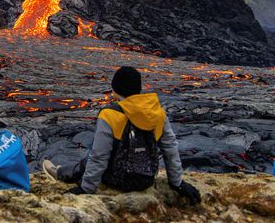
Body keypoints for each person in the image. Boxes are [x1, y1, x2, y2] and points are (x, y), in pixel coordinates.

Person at [42, 66, 201, 204]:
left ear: (116, 89)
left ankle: (61, 173)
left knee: (89, 158)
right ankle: (64, 172)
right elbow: (170, 149)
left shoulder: (110, 114)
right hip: (145, 179)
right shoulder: (158, 113)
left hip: (116, 179)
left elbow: (99, 156)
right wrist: (177, 183)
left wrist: (86, 189)